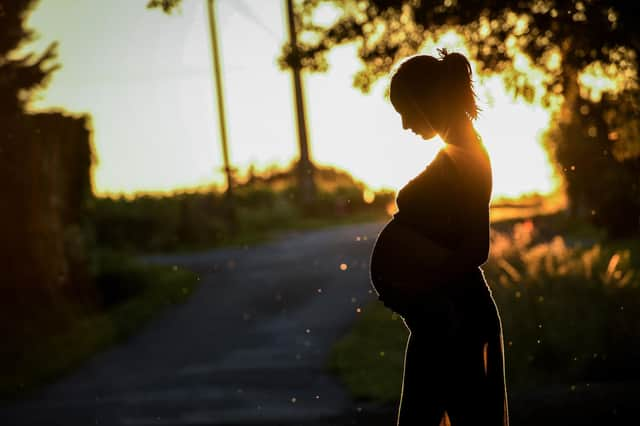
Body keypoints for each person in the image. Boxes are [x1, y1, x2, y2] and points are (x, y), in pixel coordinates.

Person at [378, 49, 509, 425]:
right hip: (439, 320)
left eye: (405, 110)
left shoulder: (469, 156)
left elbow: (476, 247)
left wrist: (420, 285)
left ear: (428, 100)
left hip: (456, 322)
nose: (404, 124)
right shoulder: (458, 152)